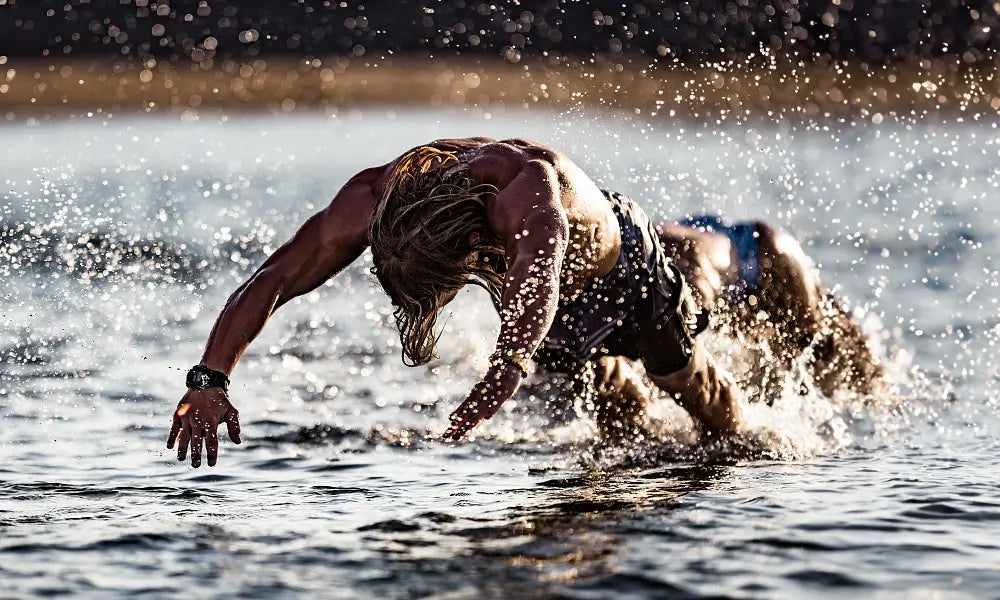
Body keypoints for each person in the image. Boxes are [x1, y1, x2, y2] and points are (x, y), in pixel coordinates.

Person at [168, 137, 746, 468]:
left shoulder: (524, 187)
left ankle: (751, 456)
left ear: (470, 244)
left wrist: (510, 363)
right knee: (616, 427)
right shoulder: (373, 196)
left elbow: (537, 274)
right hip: (539, 301)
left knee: (691, 391)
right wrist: (209, 379)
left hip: (623, 274)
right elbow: (274, 277)